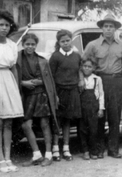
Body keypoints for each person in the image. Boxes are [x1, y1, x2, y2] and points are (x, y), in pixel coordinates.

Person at [83, 13, 122, 158]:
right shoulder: (92, 45)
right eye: (105, 26)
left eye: (111, 26)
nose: (108, 29)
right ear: (101, 28)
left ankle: (113, 149)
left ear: (115, 29)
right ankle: (98, 149)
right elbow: (83, 63)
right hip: (99, 81)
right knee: (99, 116)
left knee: (114, 116)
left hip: (116, 82)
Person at [16, 33, 59, 167]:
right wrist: (23, 83)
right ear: (23, 44)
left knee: (45, 124)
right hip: (26, 96)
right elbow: (14, 76)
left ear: (36, 45)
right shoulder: (17, 58)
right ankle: (36, 155)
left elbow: (48, 80)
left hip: (41, 95)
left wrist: (40, 82)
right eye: (27, 44)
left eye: (33, 44)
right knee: (25, 125)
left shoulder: (42, 60)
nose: (30, 47)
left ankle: (48, 155)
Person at [0, 9, 24, 172]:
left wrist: (16, 88)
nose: (4, 28)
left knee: (9, 122)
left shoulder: (12, 46)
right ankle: (0, 159)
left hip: (9, 81)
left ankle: (8, 157)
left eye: (7, 25)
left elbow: (14, 68)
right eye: (1, 25)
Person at [49, 29, 83, 161]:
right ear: (58, 42)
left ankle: (66, 148)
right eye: (62, 41)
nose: (65, 43)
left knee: (68, 121)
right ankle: (55, 148)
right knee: (58, 121)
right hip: (59, 91)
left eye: (67, 40)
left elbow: (79, 70)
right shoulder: (55, 56)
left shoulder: (76, 55)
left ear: (71, 40)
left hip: (72, 91)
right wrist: (55, 95)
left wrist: (80, 81)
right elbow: (51, 77)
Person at [80, 57, 105, 160]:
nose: (87, 68)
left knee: (93, 129)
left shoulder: (97, 79)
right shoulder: (79, 79)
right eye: (85, 66)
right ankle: (85, 151)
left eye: (89, 67)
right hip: (82, 106)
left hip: (93, 107)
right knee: (82, 129)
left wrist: (101, 108)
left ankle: (93, 150)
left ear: (93, 68)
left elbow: (101, 94)